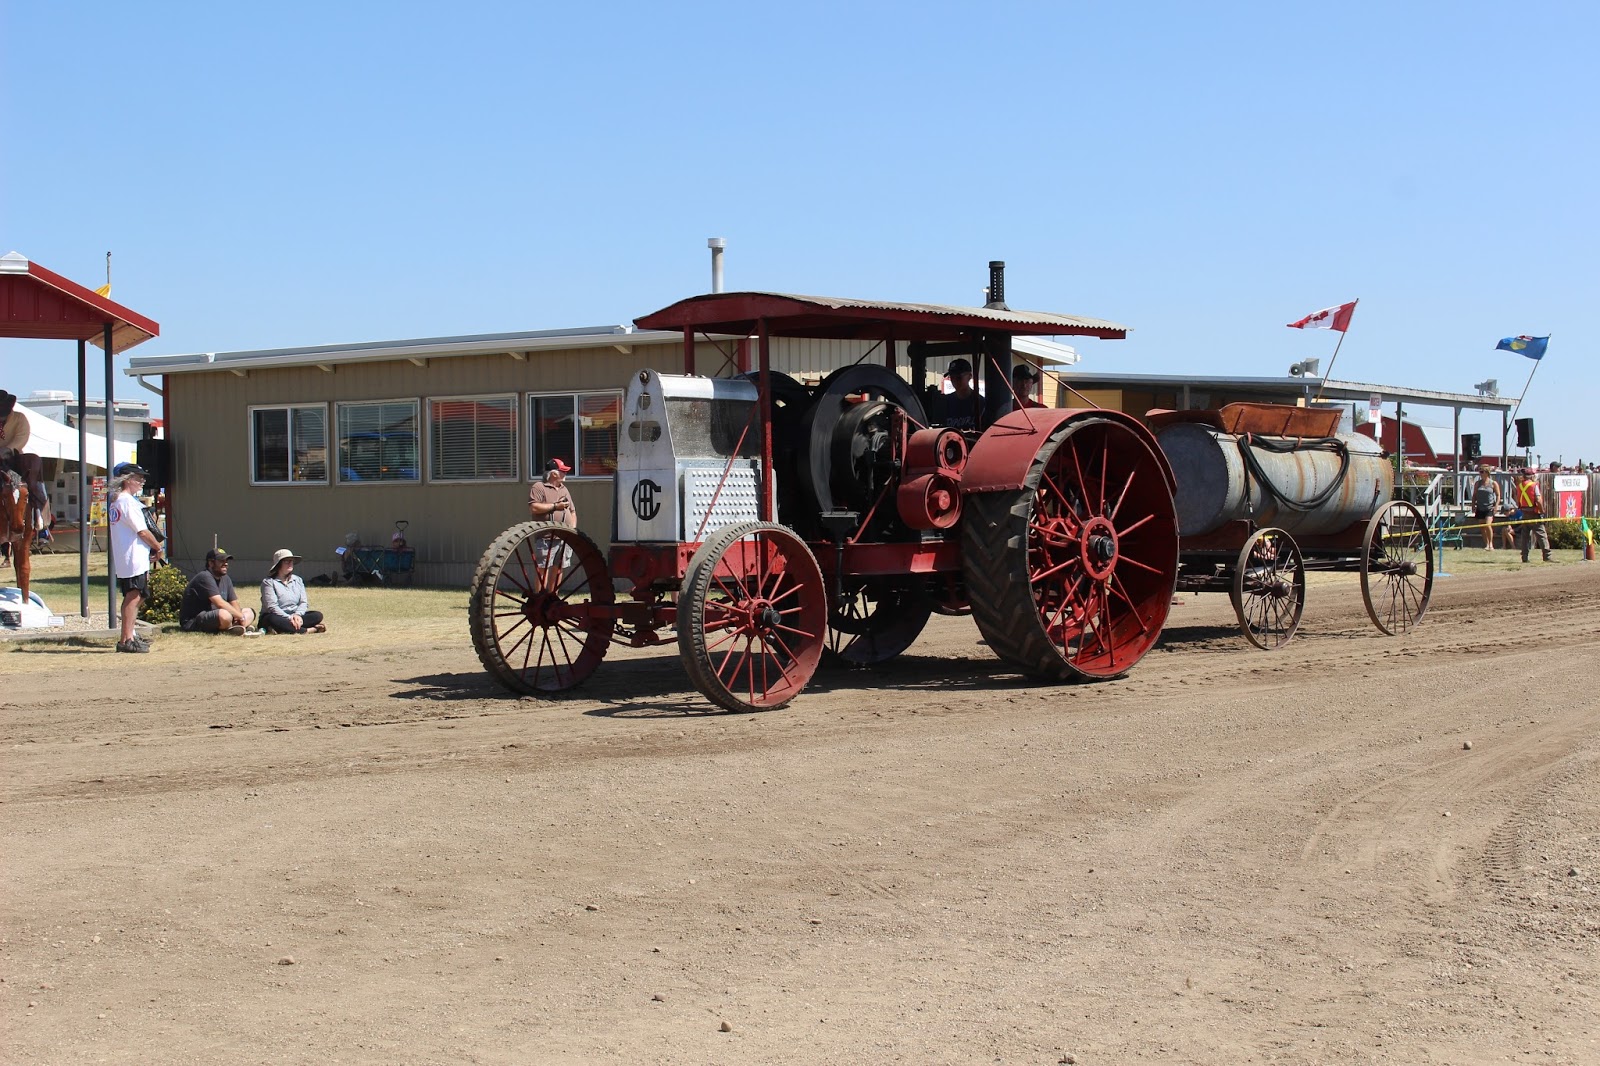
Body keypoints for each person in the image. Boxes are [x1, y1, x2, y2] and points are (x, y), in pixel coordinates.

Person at [107, 464, 165, 652]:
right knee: (133, 596)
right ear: (127, 479)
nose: (142, 482)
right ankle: (126, 640)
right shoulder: (126, 502)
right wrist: (157, 546)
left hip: (131, 556)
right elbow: (141, 531)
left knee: (140, 594)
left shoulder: (119, 501)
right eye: (138, 478)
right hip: (132, 558)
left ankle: (130, 634)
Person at [179, 548, 258, 634]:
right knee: (225, 615)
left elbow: (233, 602)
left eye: (226, 561)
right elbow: (219, 603)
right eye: (221, 561)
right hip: (195, 620)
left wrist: (238, 616)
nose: (226, 564)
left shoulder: (226, 578)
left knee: (250, 612)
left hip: (217, 615)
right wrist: (241, 617)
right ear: (211, 563)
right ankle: (239, 626)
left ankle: (237, 627)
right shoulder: (204, 577)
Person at [259, 549, 325, 634]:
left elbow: (303, 602)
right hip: (276, 616)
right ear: (279, 564)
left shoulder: (298, 580)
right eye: (286, 561)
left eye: (291, 561)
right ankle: (309, 630)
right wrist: (289, 618)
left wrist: (297, 615)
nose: (290, 563)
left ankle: (284, 628)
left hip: (295, 615)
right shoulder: (268, 582)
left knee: (317, 615)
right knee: (272, 619)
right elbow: (272, 607)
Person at [529, 457, 576, 570]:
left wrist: (572, 530)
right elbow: (534, 508)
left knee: (559, 569)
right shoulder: (539, 487)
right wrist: (555, 506)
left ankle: (554, 589)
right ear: (554, 474)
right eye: (563, 471)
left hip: (564, 537)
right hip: (546, 537)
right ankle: (541, 589)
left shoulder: (564, 489)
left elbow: (572, 511)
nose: (565, 473)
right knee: (543, 570)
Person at [1512, 469, 1552, 563]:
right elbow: (1538, 499)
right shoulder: (1534, 485)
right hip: (1534, 513)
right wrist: (1542, 511)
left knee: (1525, 536)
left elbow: (1517, 499)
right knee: (1541, 535)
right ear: (1532, 476)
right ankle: (1547, 556)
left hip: (1524, 513)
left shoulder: (1519, 486)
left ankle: (1524, 557)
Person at [942, 358, 983, 432]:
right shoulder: (945, 402)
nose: (954, 381)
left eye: (958, 377)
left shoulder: (981, 403)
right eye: (952, 377)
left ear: (970, 376)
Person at [1469, 465, 1501, 550]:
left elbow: (1498, 495)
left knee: (1488, 525)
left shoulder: (1493, 483)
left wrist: (1496, 506)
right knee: (1482, 526)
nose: (1481, 473)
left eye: (1482, 472)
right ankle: (1486, 544)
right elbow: (1474, 495)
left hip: (1489, 507)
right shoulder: (1478, 483)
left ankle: (1491, 544)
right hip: (1480, 507)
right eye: (1480, 472)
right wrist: (1473, 505)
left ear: (1487, 473)